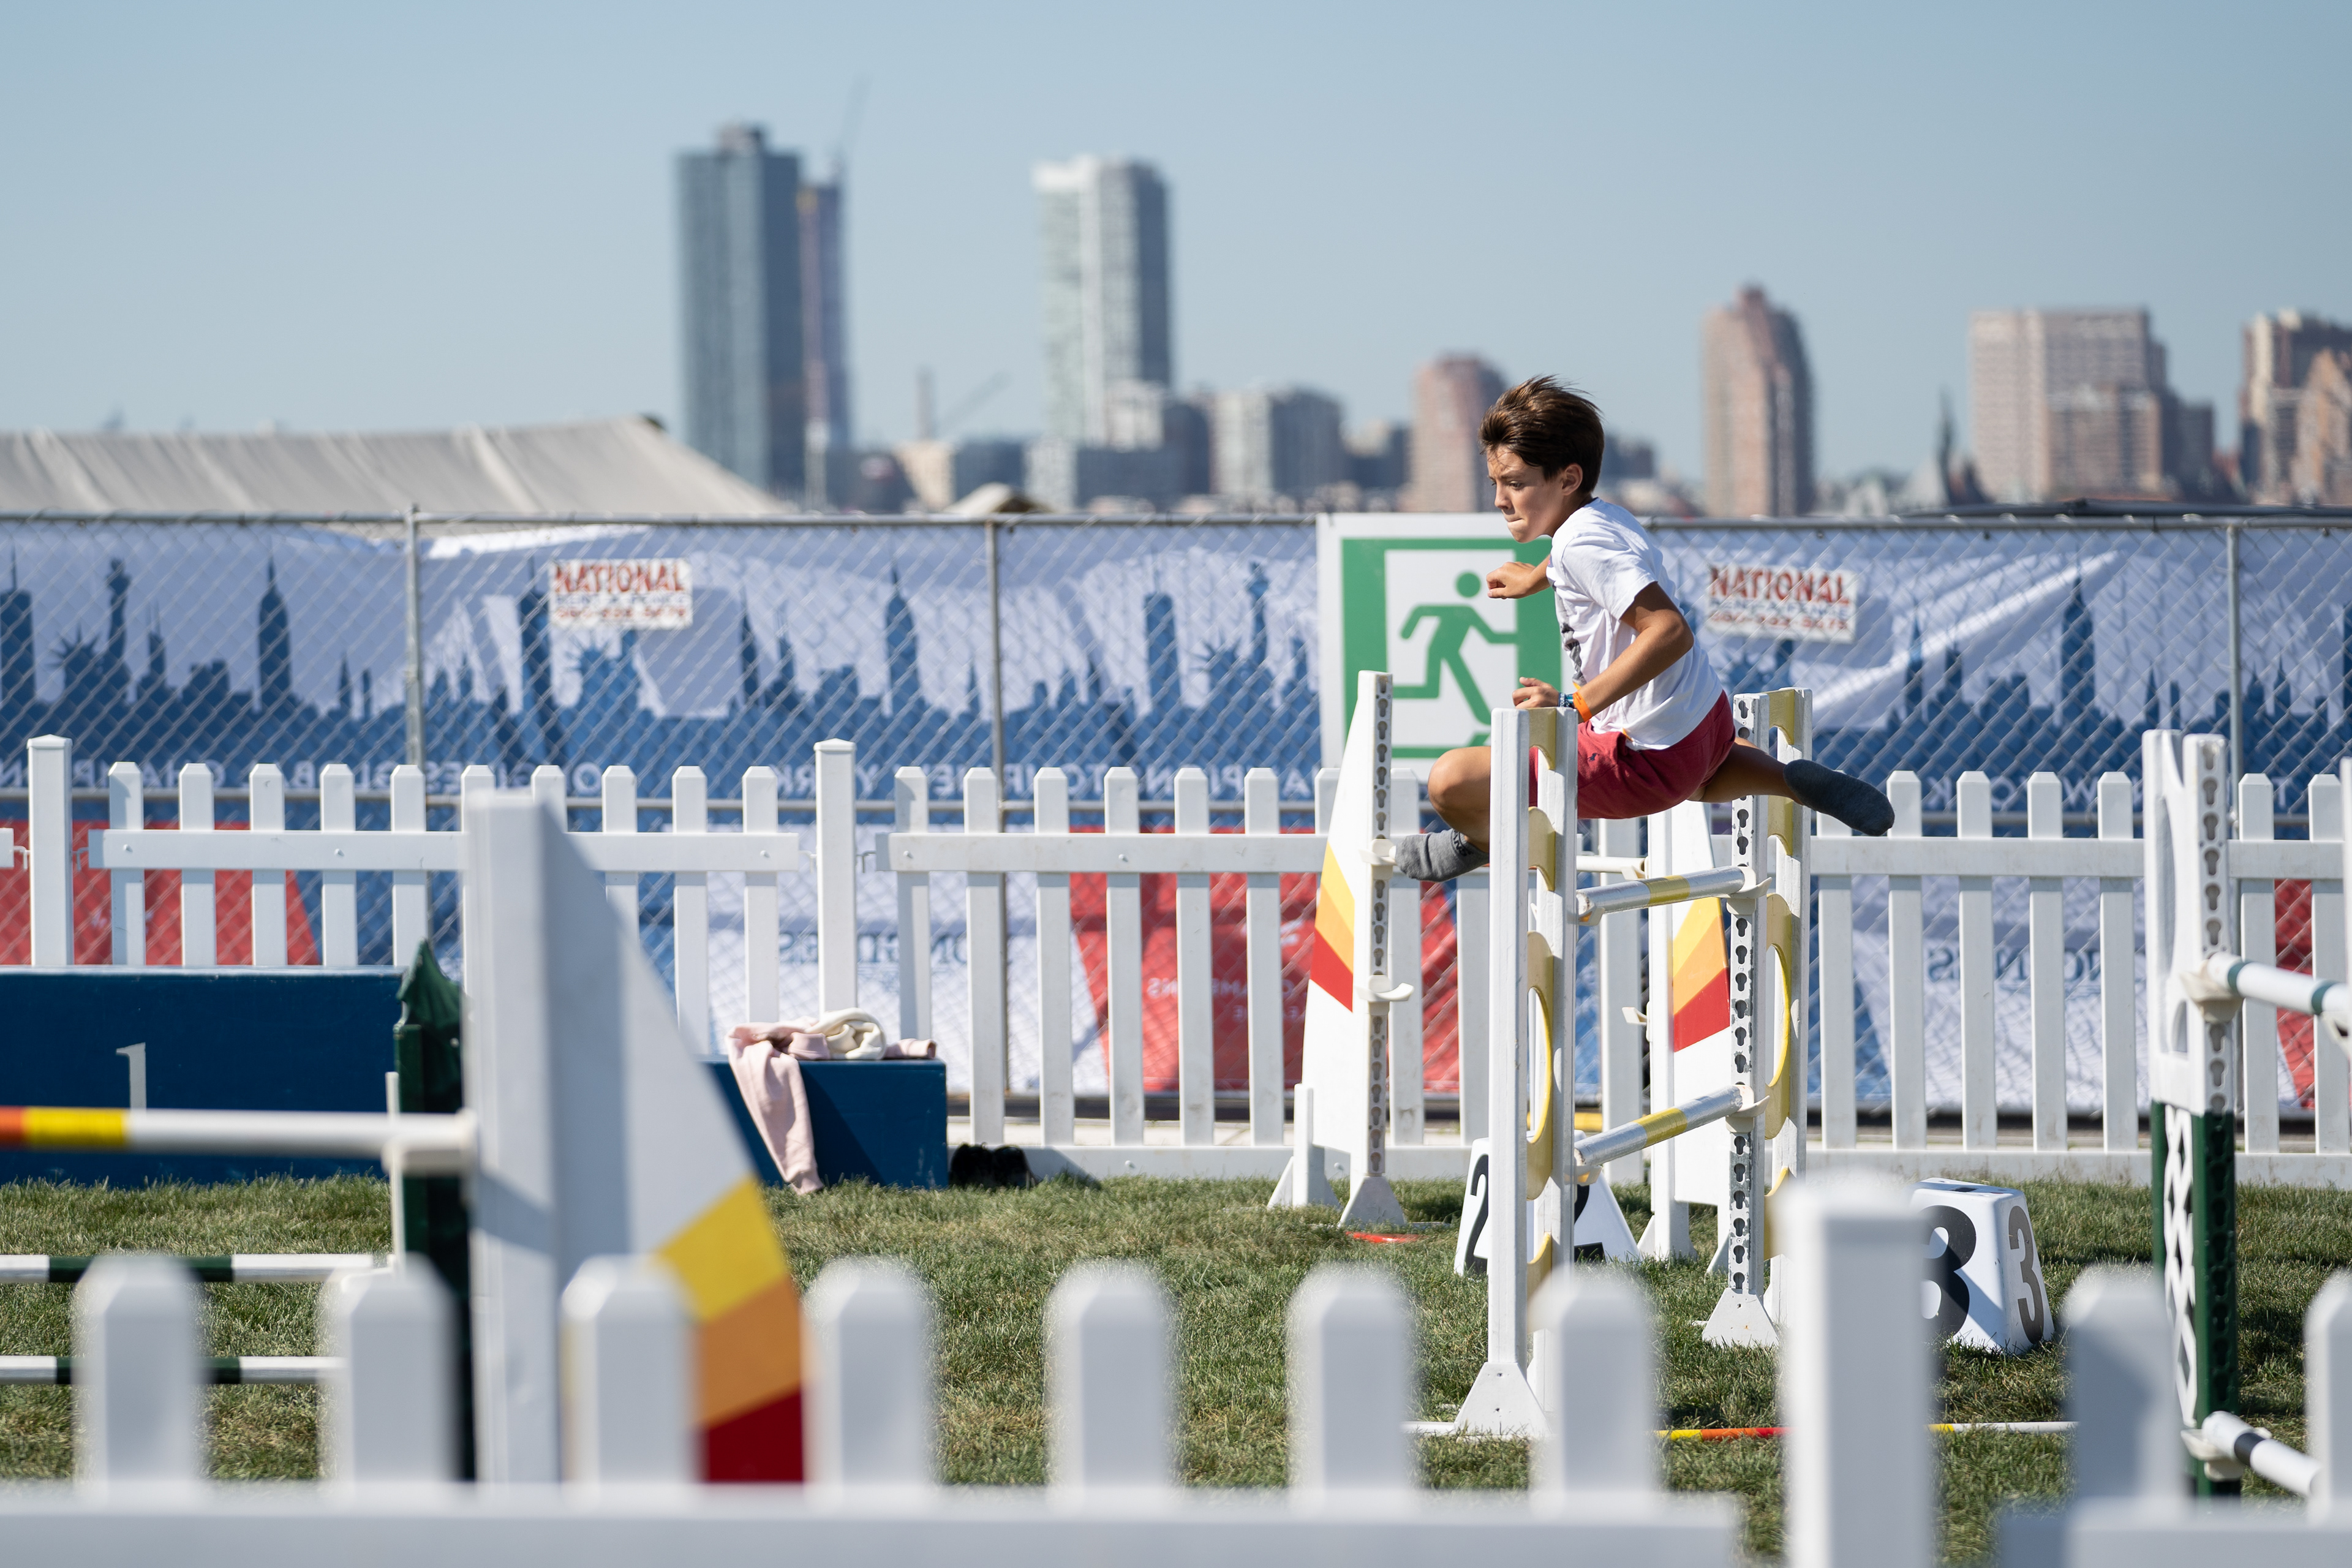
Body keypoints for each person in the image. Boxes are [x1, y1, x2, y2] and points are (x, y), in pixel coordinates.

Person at [1394, 376, 1893, 883]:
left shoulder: (1577, 546)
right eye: (1496, 484)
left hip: (1644, 759)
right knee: (1699, 778)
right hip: (1705, 723)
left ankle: (1478, 842)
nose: (1501, 499)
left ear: (1568, 479)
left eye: (1516, 484)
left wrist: (1576, 705)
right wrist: (1533, 578)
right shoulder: (1604, 519)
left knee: (1450, 780)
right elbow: (1593, 564)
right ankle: (1788, 778)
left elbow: (1670, 631)